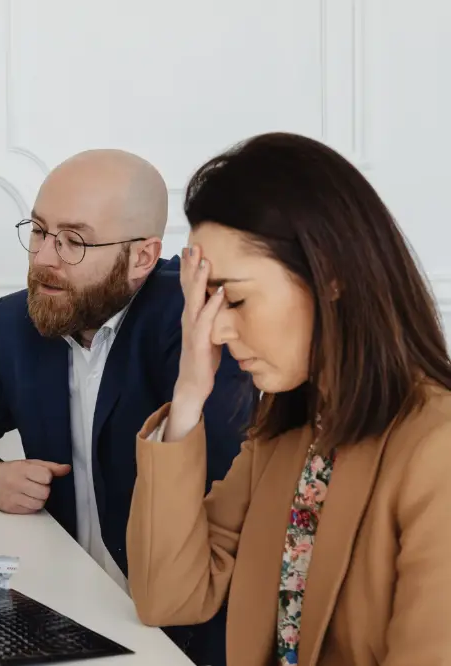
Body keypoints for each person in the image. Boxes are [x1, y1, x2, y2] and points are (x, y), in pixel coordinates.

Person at [0, 149, 252, 666]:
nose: (45, 257)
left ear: (142, 257)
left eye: (73, 241)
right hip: (68, 604)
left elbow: (225, 499)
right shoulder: (15, 322)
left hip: (187, 630)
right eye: (40, 232)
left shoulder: (195, 325)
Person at [126, 132, 451, 666]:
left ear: (331, 278)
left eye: (235, 296)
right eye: (207, 301)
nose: (217, 330)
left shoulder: (434, 450)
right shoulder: (287, 435)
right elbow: (169, 596)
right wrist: (188, 396)